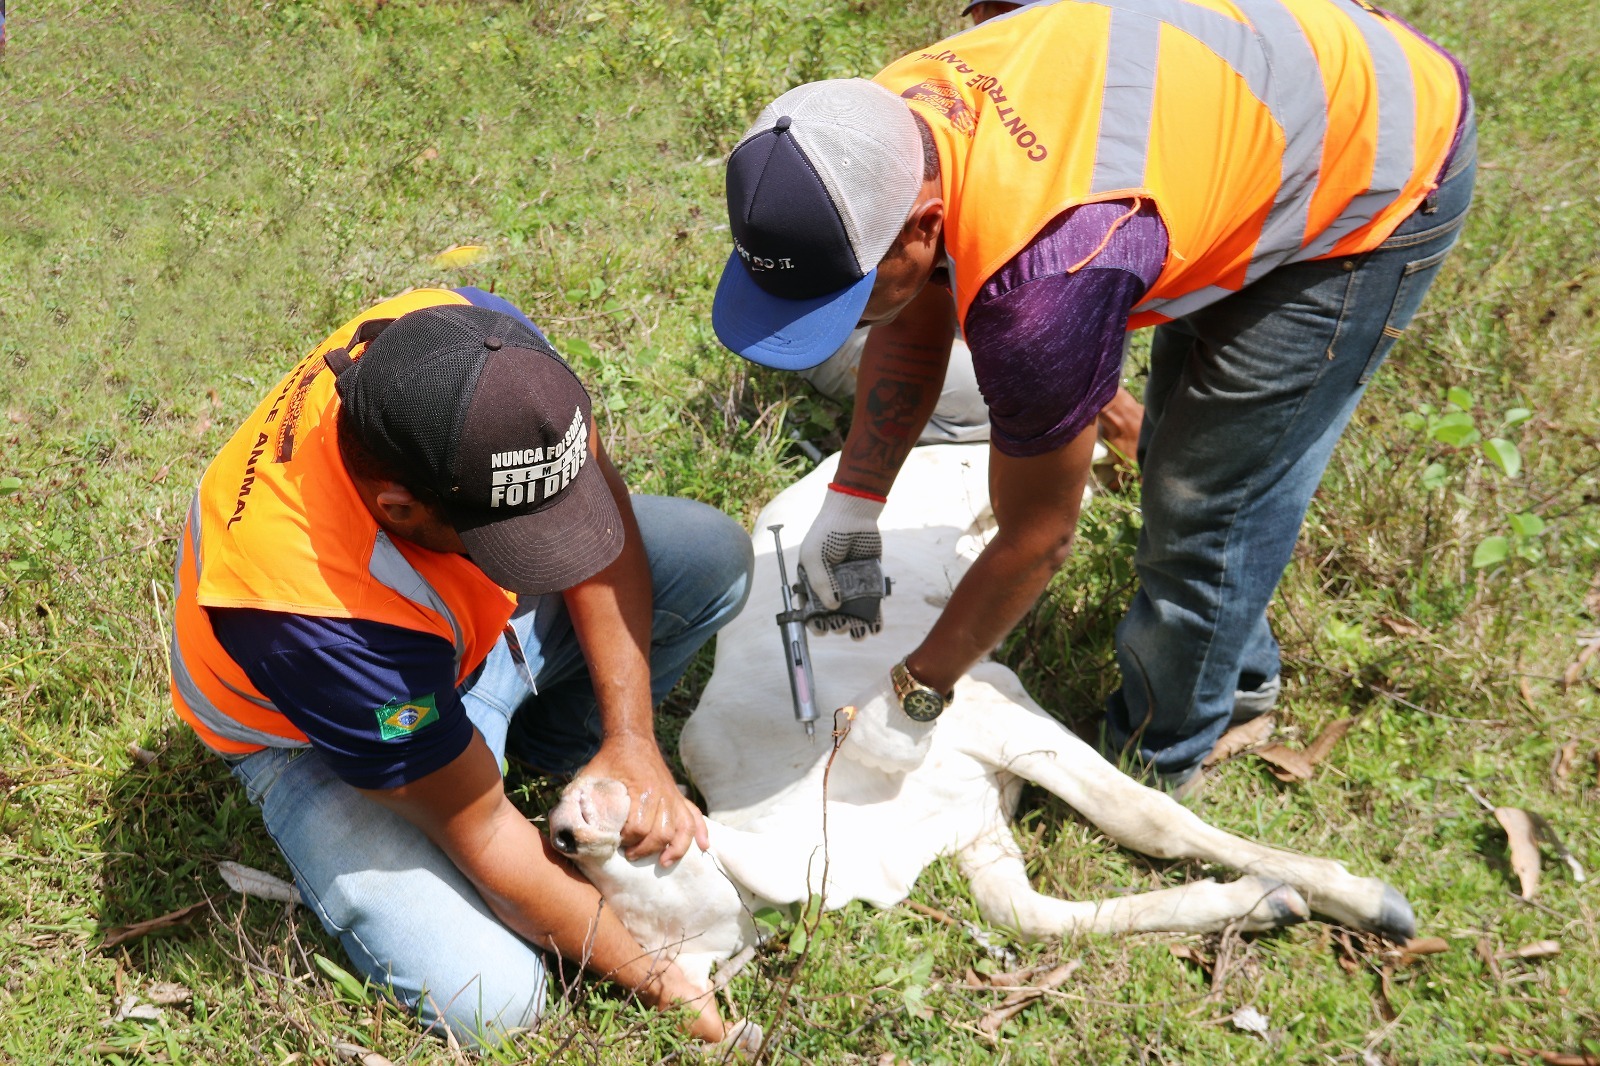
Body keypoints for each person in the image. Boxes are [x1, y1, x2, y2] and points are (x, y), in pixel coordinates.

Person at [713, 0, 1474, 788]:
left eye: (849, 293)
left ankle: (1171, 744)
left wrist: (917, 692)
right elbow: (920, 309)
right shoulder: (880, 126)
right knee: (1192, 448)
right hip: (1239, 110)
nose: (847, 322)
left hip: (1375, 153)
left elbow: (1038, 539)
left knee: (1207, 496)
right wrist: (853, 507)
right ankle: (1229, 653)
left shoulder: (1043, 293)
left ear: (923, 224)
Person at [168, 287, 753, 1044]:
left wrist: (633, 740)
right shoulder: (315, 618)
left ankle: (556, 751)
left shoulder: (487, 354)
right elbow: (483, 833)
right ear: (402, 509)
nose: (551, 560)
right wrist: (660, 976)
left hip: (435, 644)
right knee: (493, 1001)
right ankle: (482, 761)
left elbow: (597, 513)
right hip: (315, 734)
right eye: (512, 535)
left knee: (709, 556)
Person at [796, 0, 1146, 472]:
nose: (987, 26)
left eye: (1003, 12)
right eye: (989, 13)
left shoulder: (1077, 134)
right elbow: (909, 309)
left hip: (984, 305)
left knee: (1029, 391)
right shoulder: (927, 104)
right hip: (854, 316)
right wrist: (856, 500)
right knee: (1014, 390)